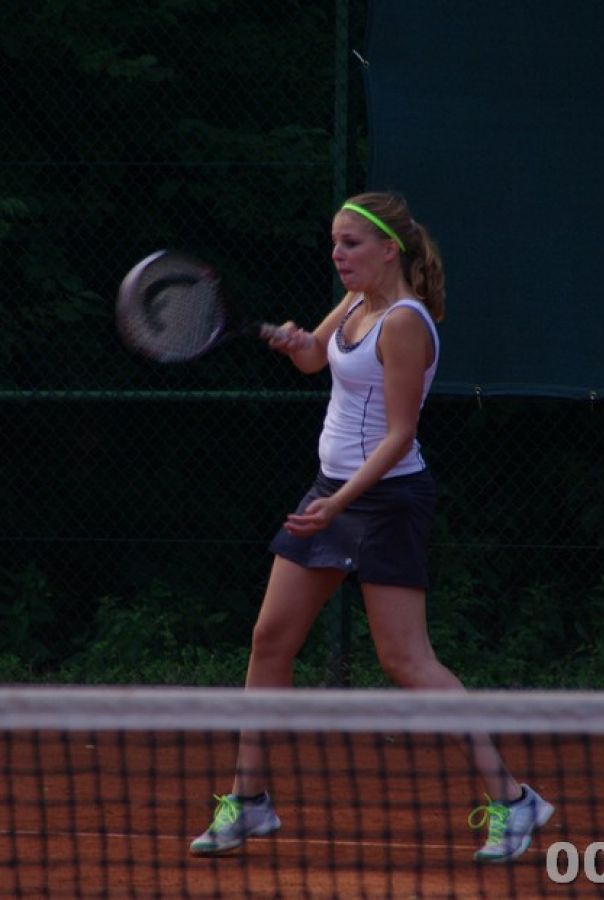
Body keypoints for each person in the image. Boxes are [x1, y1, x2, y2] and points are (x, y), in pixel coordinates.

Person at [187, 191, 552, 863]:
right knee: (270, 639)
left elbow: (399, 435)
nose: (338, 253)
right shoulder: (355, 301)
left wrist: (339, 504)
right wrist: (294, 342)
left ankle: (514, 798)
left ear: (390, 249)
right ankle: (251, 799)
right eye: (334, 241)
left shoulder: (405, 322)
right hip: (329, 492)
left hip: (386, 501)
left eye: (350, 243)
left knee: (405, 660)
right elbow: (314, 359)